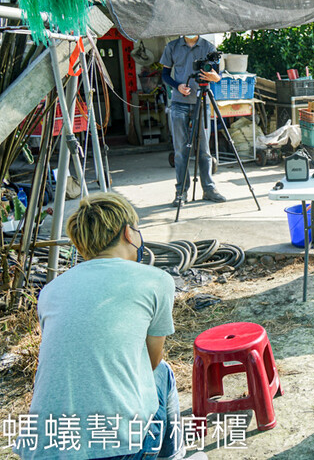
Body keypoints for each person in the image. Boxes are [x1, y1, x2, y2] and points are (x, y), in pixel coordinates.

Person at [17, 193, 205, 460]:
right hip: (119, 448)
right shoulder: (155, 280)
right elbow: (151, 361)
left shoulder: (50, 291)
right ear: (129, 233)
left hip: (41, 450)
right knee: (162, 374)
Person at [161, 35, 226, 207]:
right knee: (181, 151)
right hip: (178, 103)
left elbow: (217, 74)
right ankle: (181, 193)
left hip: (202, 100)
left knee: (204, 150)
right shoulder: (172, 47)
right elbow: (165, 75)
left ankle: (209, 189)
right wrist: (177, 86)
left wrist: (215, 78)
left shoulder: (209, 47)